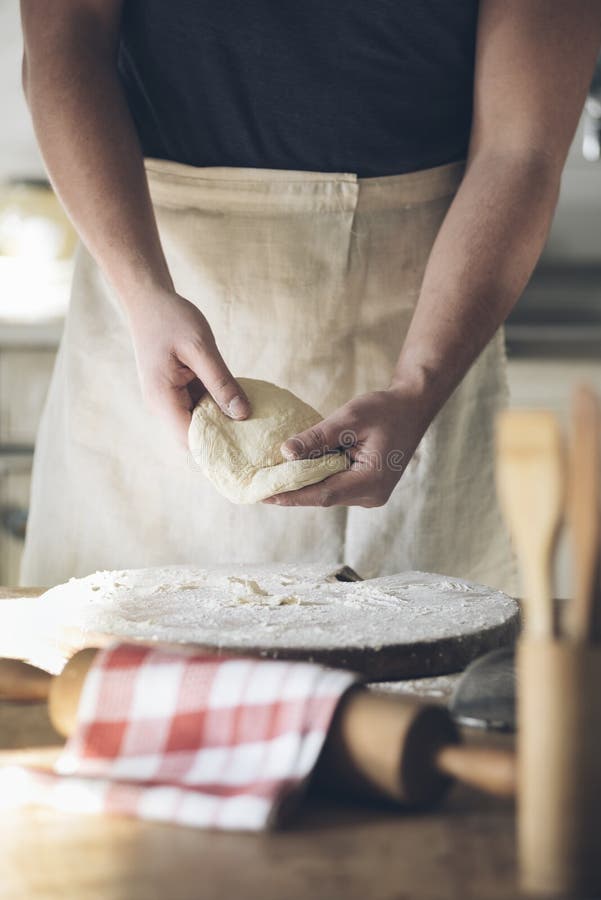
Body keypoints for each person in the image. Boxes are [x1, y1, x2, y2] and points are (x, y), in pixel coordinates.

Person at [18, 0, 600, 591]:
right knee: (119, 664)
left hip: (429, 323)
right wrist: (142, 291)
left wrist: (418, 385)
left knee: (417, 668)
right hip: (147, 288)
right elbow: (63, 40)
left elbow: (519, 149)